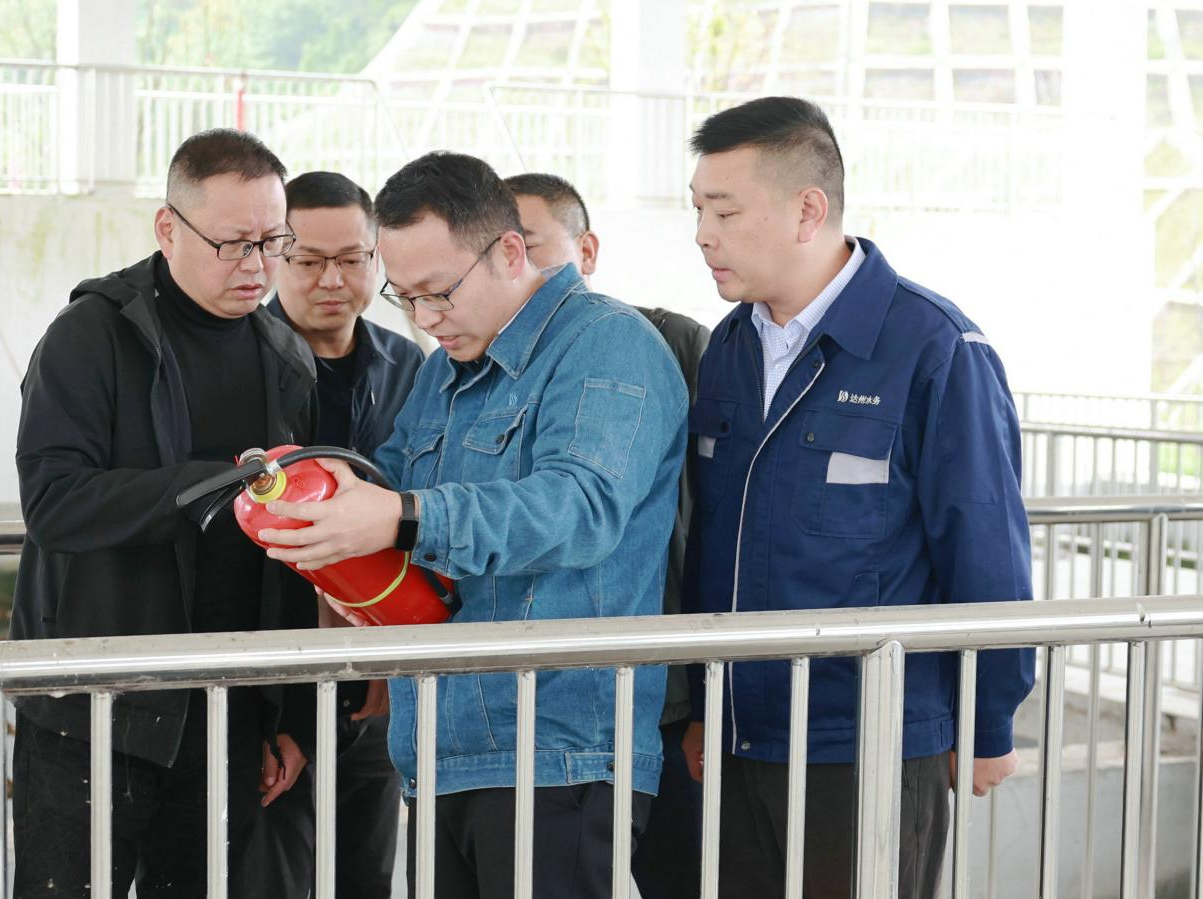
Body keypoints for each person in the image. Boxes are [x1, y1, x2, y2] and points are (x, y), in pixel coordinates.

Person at [256, 151, 689, 898]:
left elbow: (580, 507)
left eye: (440, 293)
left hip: (556, 748)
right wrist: (324, 506)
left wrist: (403, 516)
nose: (425, 319)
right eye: (405, 298)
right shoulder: (444, 368)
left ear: (511, 252)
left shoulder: (607, 344)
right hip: (436, 741)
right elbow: (389, 483)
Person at [680, 96, 1036, 899]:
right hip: (739, 736)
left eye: (725, 211)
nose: (702, 233)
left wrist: (985, 721)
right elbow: (713, 546)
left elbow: (983, 549)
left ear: (808, 211)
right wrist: (705, 702)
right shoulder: (730, 346)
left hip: (867, 741)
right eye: (696, 209)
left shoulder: (933, 348)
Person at [9, 128, 315, 897]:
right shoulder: (90, 337)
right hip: (94, 708)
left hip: (225, 711)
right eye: (233, 243)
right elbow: (53, 502)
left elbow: (284, 554)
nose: (256, 265)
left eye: (273, 242)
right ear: (168, 228)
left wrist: (285, 712)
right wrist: (208, 486)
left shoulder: (285, 357)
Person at [506, 171, 708, 899]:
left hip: (665, 689)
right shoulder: (468, 367)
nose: (511, 270)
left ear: (585, 250)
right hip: (542, 709)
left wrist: (703, 696)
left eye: (528, 247)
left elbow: (705, 522)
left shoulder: (666, 343)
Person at [251, 170, 423, 898]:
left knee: (367, 871)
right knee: (270, 874)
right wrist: (269, 705)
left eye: (352, 259)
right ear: (274, 255)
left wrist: (386, 658)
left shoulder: (409, 365)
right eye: (308, 260)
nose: (332, 279)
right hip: (269, 669)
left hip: (371, 672)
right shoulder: (242, 360)